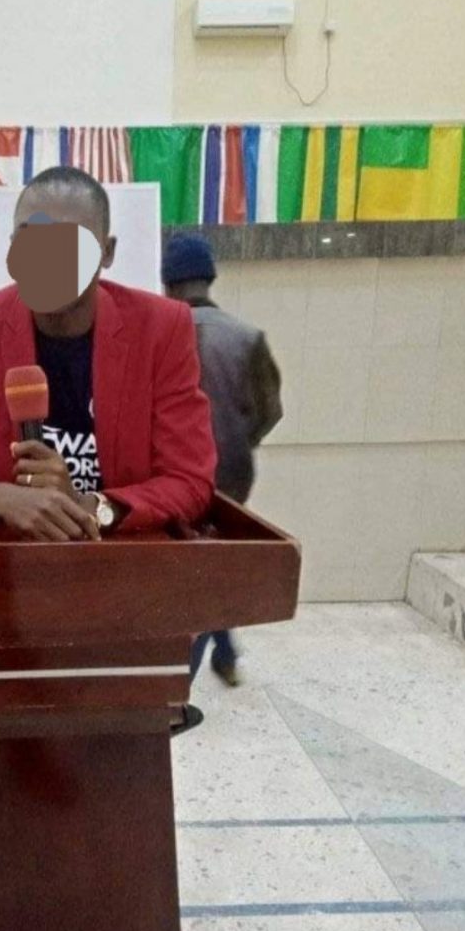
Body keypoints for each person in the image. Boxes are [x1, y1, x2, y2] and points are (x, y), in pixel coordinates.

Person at [0, 166, 217, 731]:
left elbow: (190, 480)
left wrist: (93, 507)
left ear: (107, 252)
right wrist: (1, 497)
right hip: (10, 595)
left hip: (124, 591)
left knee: (113, 756)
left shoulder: (162, 328)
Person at [162, 233, 283, 687]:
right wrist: (236, 441)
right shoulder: (249, 338)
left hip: (175, 479)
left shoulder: (158, 337)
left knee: (193, 577)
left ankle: (183, 684)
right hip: (233, 474)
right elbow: (271, 411)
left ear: (168, 284)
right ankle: (226, 652)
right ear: (209, 279)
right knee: (211, 563)